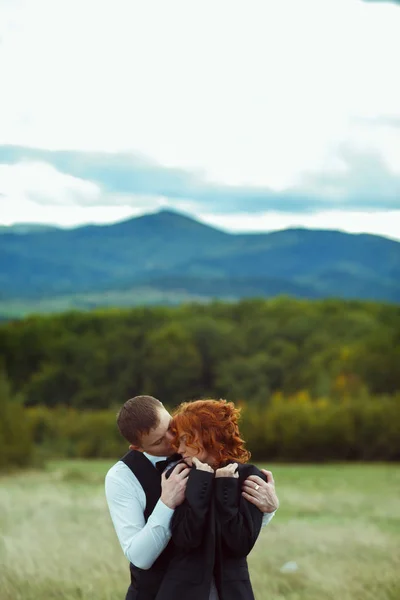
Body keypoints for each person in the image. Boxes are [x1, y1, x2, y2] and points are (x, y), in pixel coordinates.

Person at [105, 395, 279, 600]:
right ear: (138, 447)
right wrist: (166, 503)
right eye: (160, 440)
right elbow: (140, 558)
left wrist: (269, 509)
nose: (173, 442)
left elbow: (232, 531)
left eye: (171, 428)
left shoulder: (200, 449)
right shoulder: (122, 476)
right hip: (155, 593)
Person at [155, 398, 268, 600]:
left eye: (184, 439)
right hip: (180, 592)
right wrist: (201, 482)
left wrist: (226, 489)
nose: (179, 450)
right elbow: (186, 540)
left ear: (207, 435)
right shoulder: (180, 475)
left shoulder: (250, 476)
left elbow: (240, 544)